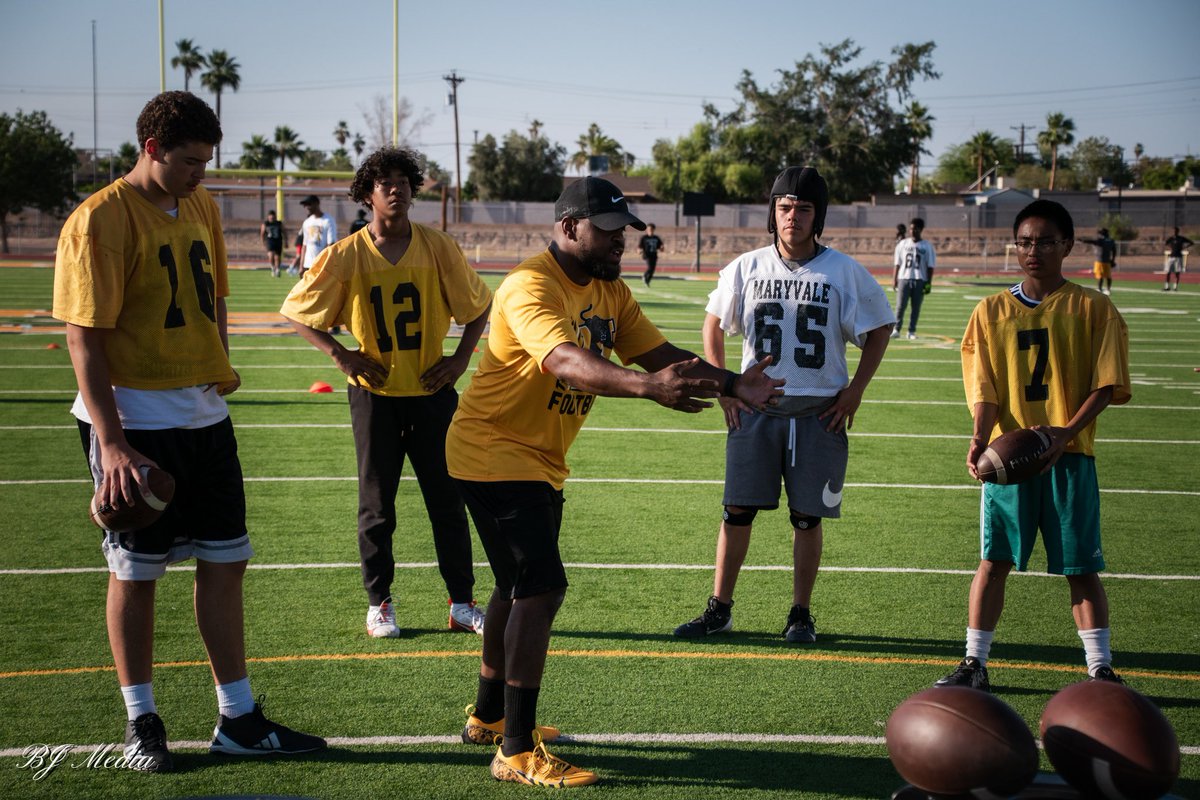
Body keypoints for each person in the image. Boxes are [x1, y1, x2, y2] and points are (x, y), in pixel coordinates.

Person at [445, 176, 783, 787]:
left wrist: (733, 383)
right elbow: (565, 361)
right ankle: (516, 750)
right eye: (607, 228)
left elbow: (657, 354)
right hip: (494, 450)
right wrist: (649, 390)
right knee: (541, 589)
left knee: (513, 587)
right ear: (569, 226)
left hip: (537, 457)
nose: (620, 239)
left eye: (623, 228)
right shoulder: (529, 285)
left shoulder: (611, 291)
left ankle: (490, 718)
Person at [51, 91, 326, 773]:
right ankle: (140, 720)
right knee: (137, 573)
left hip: (202, 411)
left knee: (227, 559)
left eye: (207, 160)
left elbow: (217, 295)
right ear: (150, 148)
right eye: (189, 161)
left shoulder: (197, 203)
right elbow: (83, 337)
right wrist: (112, 442)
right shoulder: (100, 221)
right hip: (136, 419)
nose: (201, 174)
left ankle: (238, 717)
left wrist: (219, 364)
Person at [673, 166, 895, 644]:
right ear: (773, 213)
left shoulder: (843, 270)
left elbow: (880, 328)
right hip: (759, 406)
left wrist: (856, 389)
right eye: (785, 206)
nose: (793, 216)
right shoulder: (746, 266)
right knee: (736, 511)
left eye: (804, 208)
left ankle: (800, 613)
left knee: (807, 516)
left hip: (819, 409)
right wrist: (725, 387)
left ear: (820, 216)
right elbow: (712, 325)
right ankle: (720, 608)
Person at [280, 148, 491, 639]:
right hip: (373, 395)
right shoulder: (347, 253)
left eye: (402, 180)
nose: (395, 189)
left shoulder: (438, 247)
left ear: (414, 189)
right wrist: (343, 356)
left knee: (448, 499)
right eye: (384, 182)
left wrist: (460, 360)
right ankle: (380, 604)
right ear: (367, 193)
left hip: (430, 391)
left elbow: (479, 306)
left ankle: (462, 603)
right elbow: (296, 311)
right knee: (377, 505)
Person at [936, 199, 1131, 692]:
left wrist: (1066, 433)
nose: (1033, 251)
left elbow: (1107, 384)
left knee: (1081, 568)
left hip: (1070, 457)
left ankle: (1100, 668)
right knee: (993, 561)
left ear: (1067, 245)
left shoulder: (1094, 307)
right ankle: (974, 663)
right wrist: (980, 438)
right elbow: (984, 388)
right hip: (1011, 457)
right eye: (1025, 241)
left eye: (1045, 241)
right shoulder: (990, 310)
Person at [891, 217, 936, 340]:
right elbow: (897, 263)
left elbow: (930, 266)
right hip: (903, 278)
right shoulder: (903, 244)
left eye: (915, 228)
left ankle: (911, 331)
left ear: (921, 229)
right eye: (911, 228)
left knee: (915, 308)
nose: (912, 231)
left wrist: (929, 283)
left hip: (919, 279)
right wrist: (894, 278)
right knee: (900, 306)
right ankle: (896, 329)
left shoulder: (927, 246)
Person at [298, 194, 337, 277]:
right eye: (305, 205)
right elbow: (304, 245)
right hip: (307, 265)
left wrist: (322, 262)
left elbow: (331, 244)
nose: (306, 207)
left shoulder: (328, 220)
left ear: (317, 204)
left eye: (309, 204)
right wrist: (301, 265)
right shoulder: (307, 222)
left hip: (321, 265)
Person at [1078, 227, 1117, 295]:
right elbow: (1114, 251)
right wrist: (1113, 260)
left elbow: (1092, 241)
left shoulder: (1101, 240)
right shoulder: (1111, 241)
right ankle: (1108, 289)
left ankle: (1099, 289)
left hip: (1100, 261)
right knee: (1108, 276)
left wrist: (1082, 240)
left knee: (1100, 276)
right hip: (1107, 261)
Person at [1164, 226, 1193, 291]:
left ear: (1177, 231)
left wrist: (1184, 247)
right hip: (1171, 257)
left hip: (1178, 257)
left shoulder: (1181, 238)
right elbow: (1166, 243)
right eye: (1173, 231)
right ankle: (1167, 286)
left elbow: (1191, 242)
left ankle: (1175, 287)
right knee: (1168, 271)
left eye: (1175, 231)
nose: (1174, 232)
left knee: (1177, 272)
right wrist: (1171, 247)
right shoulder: (1171, 239)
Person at [260, 210, 285, 277]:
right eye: (271, 217)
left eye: (273, 217)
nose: (272, 219)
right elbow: (262, 233)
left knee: (277, 257)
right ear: (268, 217)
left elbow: (284, 231)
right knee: (271, 255)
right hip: (270, 241)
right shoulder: (266, 224)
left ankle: (277, 269)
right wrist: (263, 241)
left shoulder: (279, 223)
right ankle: (273, 267)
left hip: (278, 241)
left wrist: (286, 241)